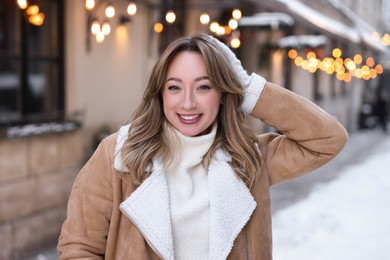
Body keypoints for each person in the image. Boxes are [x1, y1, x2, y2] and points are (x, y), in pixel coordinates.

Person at [57, 33, 348, 259]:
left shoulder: (250, 159)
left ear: (223, 94)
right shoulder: (117, 155)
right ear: (159, 94)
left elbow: (327, 139)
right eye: (174, 87)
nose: (187, 103)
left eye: (203, 86)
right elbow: (78, 248)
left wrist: (247, 89)